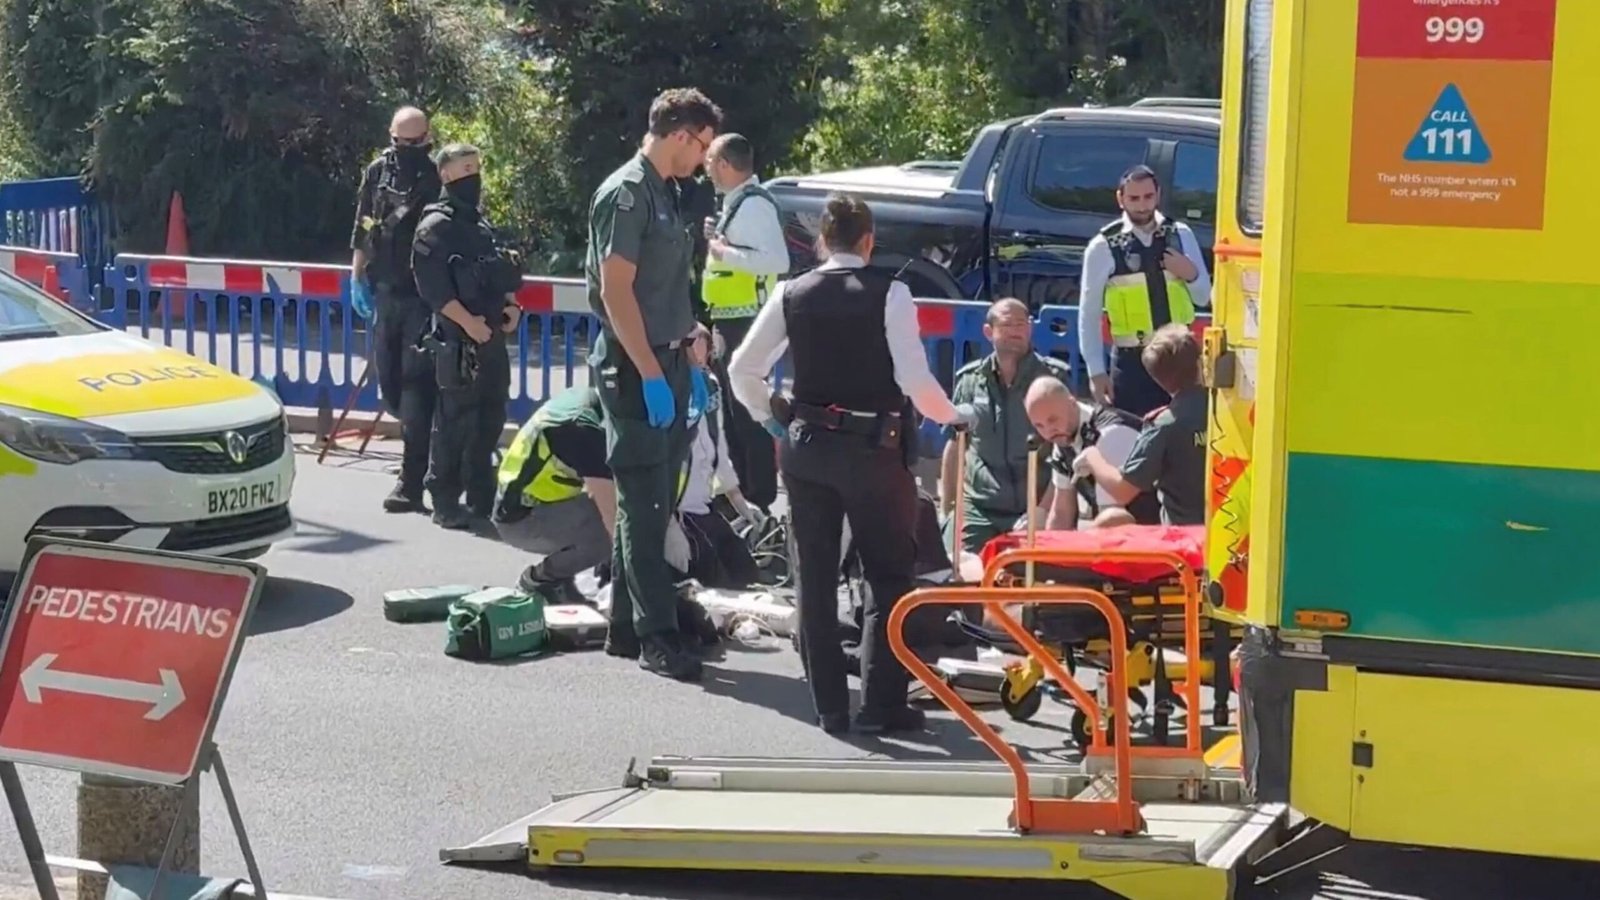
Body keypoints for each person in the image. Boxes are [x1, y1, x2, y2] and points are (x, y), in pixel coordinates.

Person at [729, 192, 977, 736]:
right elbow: (914, 380)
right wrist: (954, 414)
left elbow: (742, 367)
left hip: (807, 447)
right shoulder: (891, 294)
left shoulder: (791, 293)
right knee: (887, 577)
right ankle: (881, 705)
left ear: (822, 241)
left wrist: (773, 418)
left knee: (814, 579)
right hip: (874, 450)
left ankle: (829, 708)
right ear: (869, 242)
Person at [586, 87, 724, 682]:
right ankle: (657, 636)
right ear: (679, 135)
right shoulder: (627, 192)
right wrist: (648, 372)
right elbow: (616, 292)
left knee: (651, 502)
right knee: (644, 506)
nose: (704, 160)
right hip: (634, 364)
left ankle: (624, 623)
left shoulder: (666, 192)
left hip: (667, 359)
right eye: (702, 147)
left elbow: (665, 289)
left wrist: (688, 352)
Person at [412, 143, 524, 529]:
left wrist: (512, 308)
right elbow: (434, 289)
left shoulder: (479, 225)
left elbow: (500, 272)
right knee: (455, 420)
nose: (473, 176)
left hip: (491, 333)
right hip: (457, 338)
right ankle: (444, 498)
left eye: (476, 167)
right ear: (445, 175)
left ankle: (481, 493)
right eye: (465, 169)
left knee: (491, 415)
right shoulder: (435, 227)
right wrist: (468, 323)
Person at [350, 106, 442, 513]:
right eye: (399, 143)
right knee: (390, 387)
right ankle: (417, 469)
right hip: (385, 292)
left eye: (414, 143)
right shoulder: (377, 172)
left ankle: (412, 481)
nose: (406, 149)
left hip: (423, 297)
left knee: (416, 390)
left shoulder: (437, 175)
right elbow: (364, 224)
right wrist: (356, 275)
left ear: (427, 139)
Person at [938, 297, 1072, 554]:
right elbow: (955, 448)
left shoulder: (1052, 379)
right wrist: (949, 511)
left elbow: (1066, 454)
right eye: (1007, 324)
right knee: (952, 572)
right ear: (989, 332)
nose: (1016, 331)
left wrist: (1043, 511)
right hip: (978, 508)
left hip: (1034, 505)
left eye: (1022, 323)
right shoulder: (969, 381)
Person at [1078, 164, 1212, 417]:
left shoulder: (1180, 234)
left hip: (1180, 359)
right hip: (1132, 363)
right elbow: (1089, 314)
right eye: (1134, 198)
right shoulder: (1104, 246)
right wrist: (1096, 371)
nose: (1142, 205)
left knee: (1184, 441)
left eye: (1148, 197)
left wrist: (1190, 273)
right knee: (1132, 440)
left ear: (1158, 194)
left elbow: (1203, 297)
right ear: (1121, 198)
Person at [701, 133, 789, 514]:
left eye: (709, 164)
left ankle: (758, 494)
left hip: (745, 321)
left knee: (746, 412)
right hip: (731, 319)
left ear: (724, 164)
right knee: (735, 412)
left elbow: (775, 261)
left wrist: (722, 250)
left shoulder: (754, 206)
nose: (706, 172)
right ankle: (742, 494)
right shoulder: (740, 204)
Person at [1070, 323, 1208, 526]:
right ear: (1200, 362)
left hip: (1183, 540)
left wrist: (1093, 457)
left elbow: (1123, 490)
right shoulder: (1225, 411)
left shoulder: (1163, 425)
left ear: (1157, 379)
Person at [491, 386, 614, 606]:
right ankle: (539, 580)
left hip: (530, 504)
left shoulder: (586, 399)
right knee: (610, 531)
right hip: (521, 518)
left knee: (611, 518)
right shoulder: (582, 429)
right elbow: (611, 514)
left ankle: (563, 576)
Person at [673, 325, 763, 590]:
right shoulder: (672, 391)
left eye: (705, 353)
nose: (701, 361)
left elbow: (718, 448)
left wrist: (739, 500)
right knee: (715, 581)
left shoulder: (710, 388)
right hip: (677, 511)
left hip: (702, 505)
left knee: (744, 573)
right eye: (693, 352)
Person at [1022, 375, 1159, 530]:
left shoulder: (1110, 434)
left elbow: (1112, 518)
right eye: (1039, 425)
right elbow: (1061, 511)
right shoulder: (1062, 436)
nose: (1047, 431)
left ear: (1072, 404)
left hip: (1155, 532)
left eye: (1052, 420)